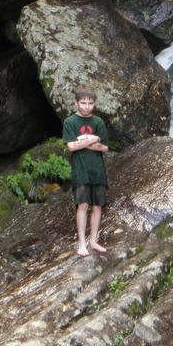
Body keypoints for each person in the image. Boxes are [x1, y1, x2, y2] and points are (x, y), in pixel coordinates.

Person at [62, 85, 109, 256]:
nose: (86, 106)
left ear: (94, 104)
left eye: (90, 103)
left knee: (97, 206)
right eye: (83, 102)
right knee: (82, 205)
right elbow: (71, 147)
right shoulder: (70, 122)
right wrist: (92, 140)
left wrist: (87, 141)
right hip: (80, 170)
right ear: (76, 103)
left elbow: (104, 147)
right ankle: (82, 243)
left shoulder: (98, 122)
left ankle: (94, 241)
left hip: (97, 170)